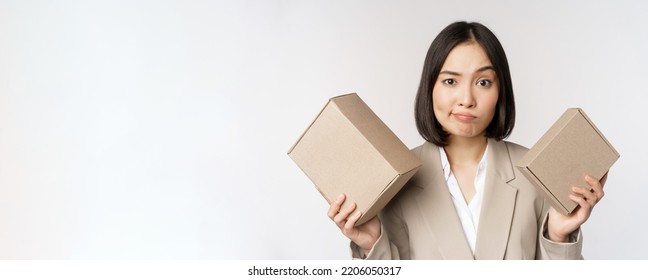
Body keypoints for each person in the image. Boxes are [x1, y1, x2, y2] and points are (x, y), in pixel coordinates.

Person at [327, 21, 608, 260]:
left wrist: (558, 236)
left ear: (501, 91)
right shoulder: (395, 181)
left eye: (483, 82)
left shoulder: (536, 174)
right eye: (450, 81)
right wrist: (371, 244)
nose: (467, 100)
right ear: (430, 88)